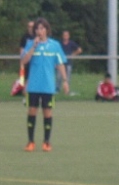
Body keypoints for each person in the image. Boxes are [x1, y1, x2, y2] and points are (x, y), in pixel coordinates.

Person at [20, 17, 69, 152]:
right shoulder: (30, 43)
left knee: (47, 112)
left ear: (46, 30)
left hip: (48, 85)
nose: (39, 31)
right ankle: (30, 141)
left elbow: (60, 63)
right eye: (37, 28)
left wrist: (65, 81)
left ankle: (46, 142)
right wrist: (33, 47)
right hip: (34, 85)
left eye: (42, 28)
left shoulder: (54, 45)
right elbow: (24, 61)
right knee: (32, 111)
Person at [59, 30, 83, 94]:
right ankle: (57, 90)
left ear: (69, 36)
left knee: (68, 77)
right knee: (59, 77)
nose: (65, 36)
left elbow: (79, 50)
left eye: (66, 35)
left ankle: (67, 90)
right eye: (64, 35)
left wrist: (72, 55)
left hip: (68, 63)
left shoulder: (71, 43)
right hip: (61, 63)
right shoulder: (60, 43)